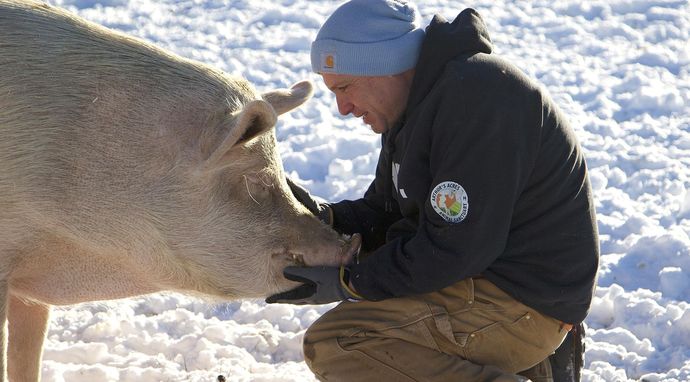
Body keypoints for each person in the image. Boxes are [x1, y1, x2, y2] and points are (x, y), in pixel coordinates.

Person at [266, 1, 599, 381]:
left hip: (524, 302)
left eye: (345, 87)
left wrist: (352, 280)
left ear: (385, 65)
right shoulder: (415, 106)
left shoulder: (478, 100)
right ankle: (532, 369)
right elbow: (389, 211)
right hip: (487, 282)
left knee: (340, 343)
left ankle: (526, 361)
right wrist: (325, 218)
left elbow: (453, 248)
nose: (343, 108)